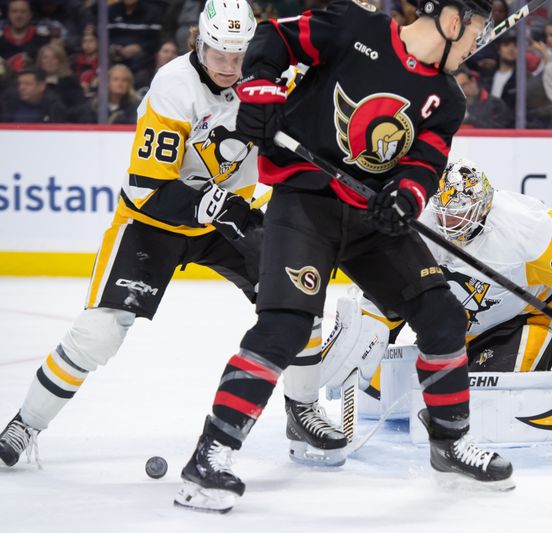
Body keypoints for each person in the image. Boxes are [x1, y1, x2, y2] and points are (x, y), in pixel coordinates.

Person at [174, 0, 514, 514]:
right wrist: (261, 88)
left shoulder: (446, 98)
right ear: (450, 20)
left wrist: (406, 198)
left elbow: (423, 165)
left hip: (370, 221)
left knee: (441, 315)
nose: (476, 45)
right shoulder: (357, 27)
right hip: (304, 205)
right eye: (476, 32)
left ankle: (450, 445)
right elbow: (273, 39)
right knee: (285, 327)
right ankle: (210, 456)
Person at [0, 0, 339, 475]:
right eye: (219, 53)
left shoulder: (265, 77)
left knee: (300, 295)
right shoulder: (174, 85)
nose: (229, 67)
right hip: (155, 222)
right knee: (99, 332)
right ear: (198, 40)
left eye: (238, 55)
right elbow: (145, 190)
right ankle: (25, 423)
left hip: (226, 217)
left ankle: (301, 410)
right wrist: (216, 205)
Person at [321, 158, 552, 397]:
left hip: (524, 319)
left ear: (484, 205)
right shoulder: (418, 221)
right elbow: (392, 290)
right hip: (452, 329)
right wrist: (371, 334)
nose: (450, 222)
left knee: (491, 398)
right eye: (445, 212)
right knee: (380, 390)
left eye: (460, 213)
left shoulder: (524, 229)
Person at [73, 63, 140, 123]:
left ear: (129, 84)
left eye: (124, 80)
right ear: (107, 83)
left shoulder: (136, 107)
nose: (120, 83)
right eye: (115, 79)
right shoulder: (94, 106)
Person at [0, 66, 66, 122]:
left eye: (27, 84)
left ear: (41, 86)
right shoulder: (8, 101)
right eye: (19, 84)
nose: (21, 88)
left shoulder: (54, 107)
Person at [36, 43, 84, 109]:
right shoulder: (34, 81)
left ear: (61, 61)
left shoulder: (70, 83)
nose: (49, 61)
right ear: (40, 61)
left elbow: (78, 108)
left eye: (54, 57)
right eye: (45, 57)